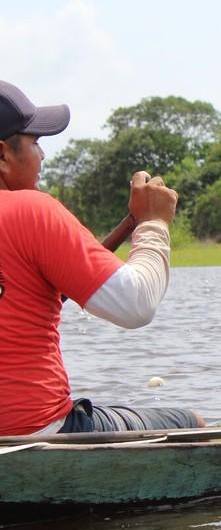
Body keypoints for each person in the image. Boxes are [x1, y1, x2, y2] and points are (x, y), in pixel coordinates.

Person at [0, 80, 203, 435]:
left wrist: (130, 223)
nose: (42, 156)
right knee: (192, 423)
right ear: (3, 155)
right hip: (32, 430)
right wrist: (154, 223)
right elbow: (135, 304)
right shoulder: (31, 211)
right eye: (35, 142)